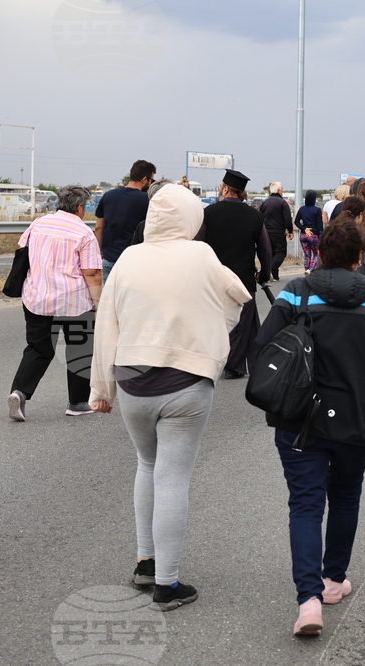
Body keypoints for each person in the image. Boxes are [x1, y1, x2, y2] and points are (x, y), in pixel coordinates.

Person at [89, 183, 251, 611]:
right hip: (185, 380)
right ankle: (167, 584)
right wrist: (210, 330)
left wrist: (99, 389)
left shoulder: (127, 257)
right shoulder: (200, 254)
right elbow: (239, 295)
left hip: (131, 380)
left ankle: (145, 562)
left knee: (147, 464)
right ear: (191, 217)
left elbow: (106, 321)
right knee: (174, 477)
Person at [252, 220, 365, 636]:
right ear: (358, 258)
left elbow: (264, 349)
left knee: (304, 504)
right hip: (358, 419)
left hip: (300, 419)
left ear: (319, 254)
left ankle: (308, 601)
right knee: (346, 497)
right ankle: (333, 581)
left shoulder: (295, 292)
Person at [7, 186, 103, 421]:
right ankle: (78, 403)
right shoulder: (83, 232)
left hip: (37, 297)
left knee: (38, 349)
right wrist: (98, 303)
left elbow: (22, 249)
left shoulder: (39, 223)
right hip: (74, 301)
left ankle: (19, 392)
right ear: (80, 207)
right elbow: (91, 273)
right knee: (80, 348)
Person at [201, 169, 272, 379]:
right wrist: (265, 274)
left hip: (214, 278)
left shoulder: (208, 213)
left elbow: (198, 244)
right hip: (243, 278)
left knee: (214, 321)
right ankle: (234, 364)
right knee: (241, 322)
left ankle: (220, 362)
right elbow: (265, 250)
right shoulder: (255, 216)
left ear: (224, 189)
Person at [95, 159, 155, 280]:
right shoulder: (146, 200)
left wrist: (101, 252)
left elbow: (98, 227)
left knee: (109, 298)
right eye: (151, 180)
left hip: (109, 259)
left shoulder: (108, 196)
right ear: (144, 179)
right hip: (133, 261)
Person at [260, 182, 294, 282]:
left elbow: (259, 217)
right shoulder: (282, 203)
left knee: (271, 253)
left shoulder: (265, 202)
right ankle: (271, 270)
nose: (283, 191)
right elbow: (287, 219)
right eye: (282, 189)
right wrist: (290, 231)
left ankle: (274, 275)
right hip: (278, 231)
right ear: (279, 190)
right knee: (280, 252)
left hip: (266, 231)